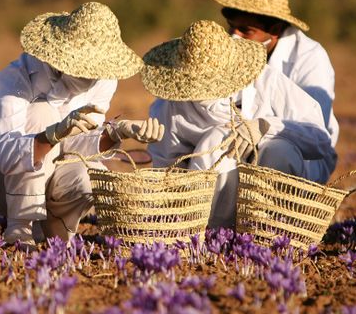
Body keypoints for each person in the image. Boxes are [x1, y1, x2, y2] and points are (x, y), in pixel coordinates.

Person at [0, 2, 164, 246]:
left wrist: (116, 132)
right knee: (42, 113)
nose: (93, 75)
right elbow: (6, 155)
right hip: (3, 182)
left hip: (57, 171)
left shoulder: (104, 81)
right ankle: (20, 223)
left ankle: (53, 226)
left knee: (91, 174)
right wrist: (51, 134)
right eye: (84, 67)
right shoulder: (17, 77)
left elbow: (80, 149)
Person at [143, 20, 336, 229]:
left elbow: (319, 140)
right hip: (207, 203)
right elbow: (167, 171)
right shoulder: (171, 106)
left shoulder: (265, 81)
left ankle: (272, 232)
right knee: (217, 139)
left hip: (273, 190)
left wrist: (265, 128)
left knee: (280, 151)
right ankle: (215, 234)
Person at [207, 0, 339, 155]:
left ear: (275, 30)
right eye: (232, 27)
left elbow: (313, 131)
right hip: (241, 145)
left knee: (278, 152)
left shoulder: (310, 58)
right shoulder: (228, 53)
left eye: (246, 30)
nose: (233, 37)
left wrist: (263, 127)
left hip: (302, 155)